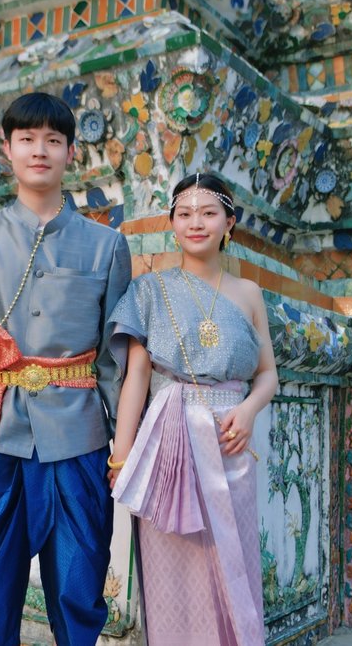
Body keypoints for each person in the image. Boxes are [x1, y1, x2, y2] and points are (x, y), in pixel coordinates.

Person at [0, 91, 132, 645]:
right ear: (7, 150)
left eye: (53, 140)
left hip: (81, 442)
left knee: (78, 592)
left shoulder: (107, 246)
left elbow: (115, 359)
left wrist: (122, 449)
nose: (39, 150)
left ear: (71, 153)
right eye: (26, 139)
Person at [106, 172, 278, 645]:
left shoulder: (248, 294)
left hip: (229, 441)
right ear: (173, 223)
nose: (195, 223)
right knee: (171, 570)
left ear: (229, 223)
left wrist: (248, 411)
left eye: (207, 213)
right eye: (184, 214)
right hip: (168, 440)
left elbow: (268, 375)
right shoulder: (150, 290)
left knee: (231, 563)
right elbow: (136, 378)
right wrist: (121, 458)